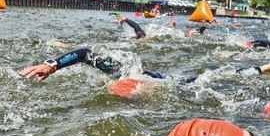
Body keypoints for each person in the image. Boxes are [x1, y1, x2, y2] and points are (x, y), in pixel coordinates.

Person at [19, 47, 195, 85]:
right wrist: (53, 65)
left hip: (175, 82)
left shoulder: (152, 84)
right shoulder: (120, 72)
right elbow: (84, 54)